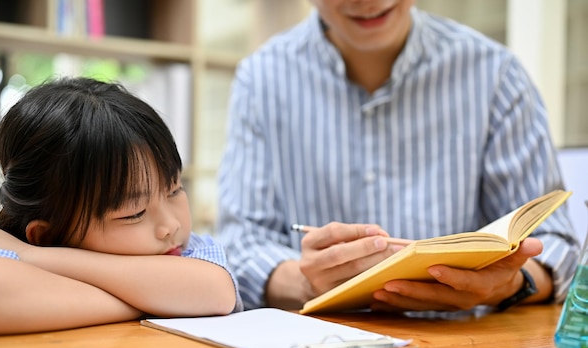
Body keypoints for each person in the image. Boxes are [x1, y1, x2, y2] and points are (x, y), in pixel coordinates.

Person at [217, 0, 580, 312]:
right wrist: (303, 282)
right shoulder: (261, 79)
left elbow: (555, 245)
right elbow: (240, 245)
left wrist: (508, 285)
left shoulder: (496, 74)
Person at [0, 77, 242, 335]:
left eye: (174, 190)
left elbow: (216, 292)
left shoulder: (188, 250)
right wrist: (158, 300)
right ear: (48, 236)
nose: (171, 225)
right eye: (134, 213)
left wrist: (30, 256)